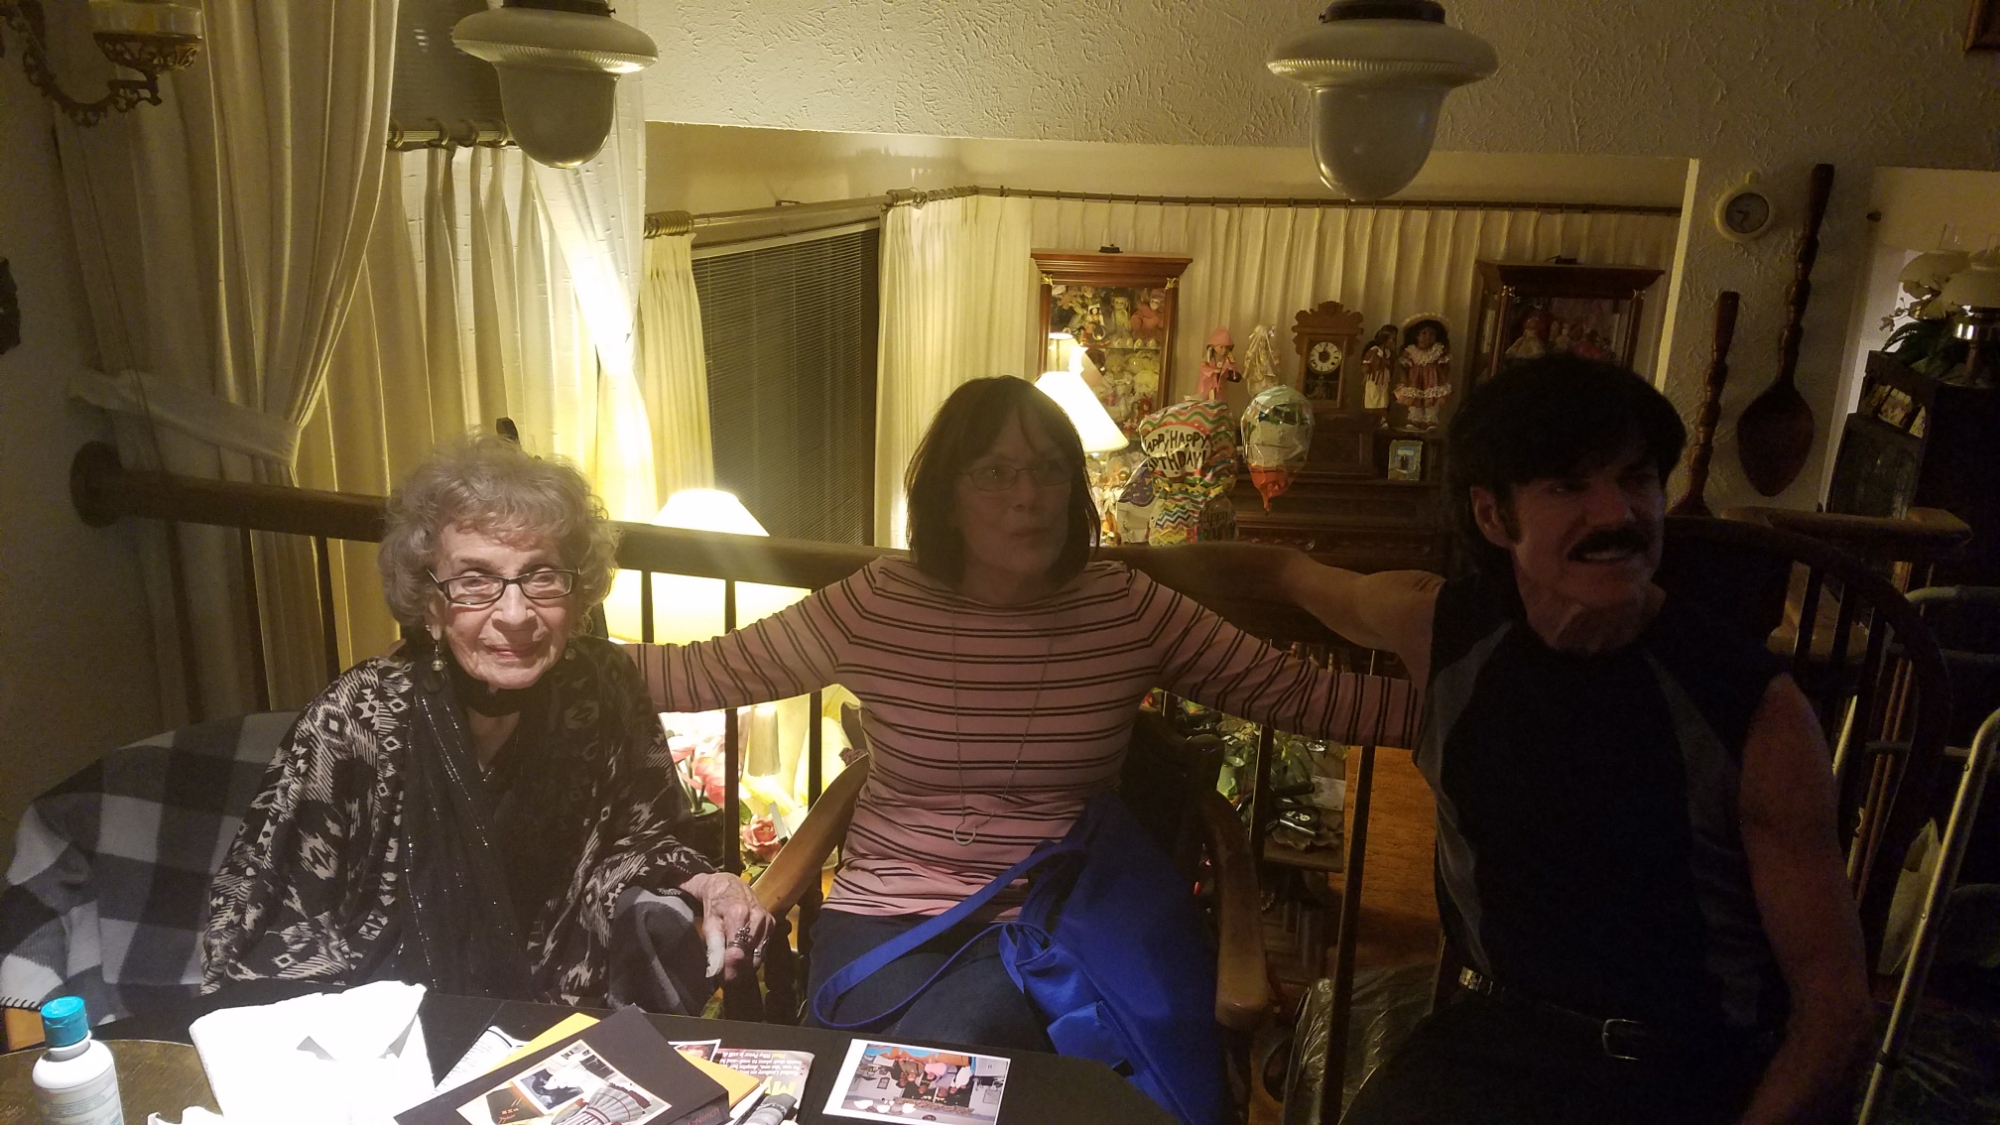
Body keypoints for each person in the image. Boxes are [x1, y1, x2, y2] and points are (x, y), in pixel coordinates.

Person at [1122, 355, 1871, 1125]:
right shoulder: (1444, 629)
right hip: (1491, 1042)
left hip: (1679, 1071)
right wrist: (1106, 564)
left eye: (1637, 478)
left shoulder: (1755, 709)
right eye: (1568, 486)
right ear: (1492, 515)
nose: (1616, 512)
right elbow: (1286, 574)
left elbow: (1835, 1008)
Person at [625, 376, 1400, 1051]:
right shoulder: (877, 604)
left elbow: (1304, 694)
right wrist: (557, 637)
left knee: (969, 1037)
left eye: (1049, 468)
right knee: (930, 1059)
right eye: (995, 472)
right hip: (883, 918)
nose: (1028, 495)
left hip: (1058, 919)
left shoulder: (1126, 608)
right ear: (947, 497)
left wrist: (1451, 680)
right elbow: (702, 669)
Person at [203, 434, 772, 1010]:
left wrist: (712, 883)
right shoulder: (356, 717)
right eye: (475, 580)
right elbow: (271, 914)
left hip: (559, 1013)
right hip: (375, 1013)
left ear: (577, 593)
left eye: (541, 575)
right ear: (430, 602)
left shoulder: (601, 687)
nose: (516, 614)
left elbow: (645, 840)